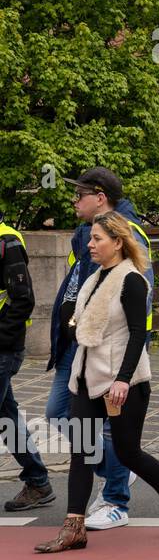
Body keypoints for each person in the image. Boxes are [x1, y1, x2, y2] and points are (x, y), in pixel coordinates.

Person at [34, 212, 159, 553]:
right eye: (91, 238)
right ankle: (73, 527)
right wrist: (71, 323)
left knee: (127, 452)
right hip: (87, 381)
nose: (90, 244)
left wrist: (122, 379)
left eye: (98, 239)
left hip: (123, 386)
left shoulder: (131, 280)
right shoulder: (95, 279)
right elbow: (80, 321)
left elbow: (138, 333)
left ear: (117, 242)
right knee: (82, 452)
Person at [46, 168, 152, 531]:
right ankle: (118, 468)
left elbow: (138, 302)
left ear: (100, 197)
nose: (74, 201)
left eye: (80, 195)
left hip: (107, 355)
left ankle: (116, 498)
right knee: (58, 414)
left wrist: (123, 367)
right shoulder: (87, 234)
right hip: (78, 349)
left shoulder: (125, 235)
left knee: (107, 431)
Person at [1, 219, 53, 513]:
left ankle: (38, 482)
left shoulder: (7, 243)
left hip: (3, 349)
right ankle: (37, 482)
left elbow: (23, 300)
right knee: (6, 417)